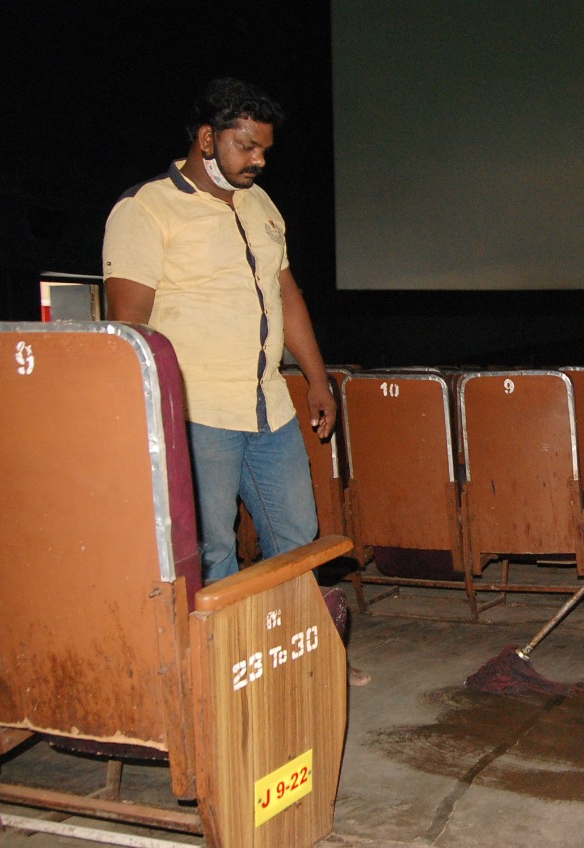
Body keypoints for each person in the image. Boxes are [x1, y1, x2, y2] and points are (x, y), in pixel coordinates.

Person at [102, 78, 369, 685]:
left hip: (269, 406)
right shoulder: (144, 210)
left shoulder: (259, 204)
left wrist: (317, 379)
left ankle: (307, 654)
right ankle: (227, 672)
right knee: (214, 551)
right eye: (248, 147)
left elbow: (286, 293)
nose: (260, 161)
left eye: (265, 150)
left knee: (298, 540)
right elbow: (127, 326)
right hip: (196, 412)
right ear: (206, 139)